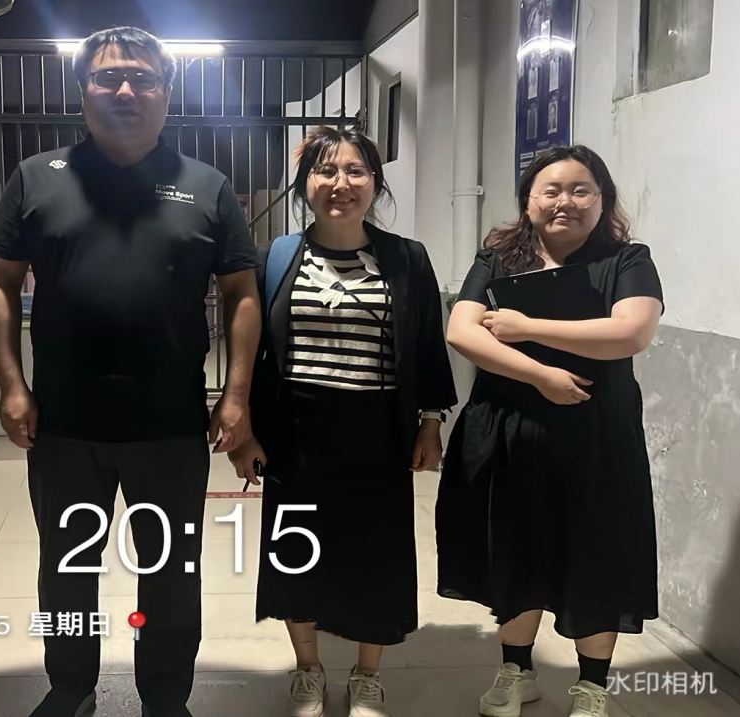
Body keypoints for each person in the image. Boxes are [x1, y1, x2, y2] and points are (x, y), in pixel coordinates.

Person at [0, 27, 261, 717]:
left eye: (142, 77)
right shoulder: (36, 177)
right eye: (108, 77)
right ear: (83, 91)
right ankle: (70, 686)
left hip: (169, 422)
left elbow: (241, 293)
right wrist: (11, 384)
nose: (126, 89)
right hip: (63, 422)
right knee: (66, 565)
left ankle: (165, 695)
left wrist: (236, 396)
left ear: (165, 91)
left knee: (170, 570)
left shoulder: (206, 185)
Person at [228, 126, 458, 717]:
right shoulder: (276, 257)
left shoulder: (406, 258)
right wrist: (245, 432)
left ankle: (367, 675)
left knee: (376, 552)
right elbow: (251, 351)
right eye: (325, 171)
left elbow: (428, 347)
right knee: (296, 549)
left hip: (378, 430)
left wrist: (431, 422)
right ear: (305, 183)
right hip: (294, 431)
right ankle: (308, 669)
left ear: (375, 182)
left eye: (355, 171)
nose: (340, 183)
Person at [436, 145, 663, 717]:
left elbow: (630, 332)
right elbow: (463, 332)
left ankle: (592, 686)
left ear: (602, 200)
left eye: (581, 190)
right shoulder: (497, 258)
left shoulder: (627, 260)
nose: (566, 201)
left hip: (598, 435)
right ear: (529, 201)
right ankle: (517, 671)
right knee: (515, 548)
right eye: (551, 190)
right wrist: (540, 375)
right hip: (508, 427)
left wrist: (525, 327)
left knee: (596, 550)